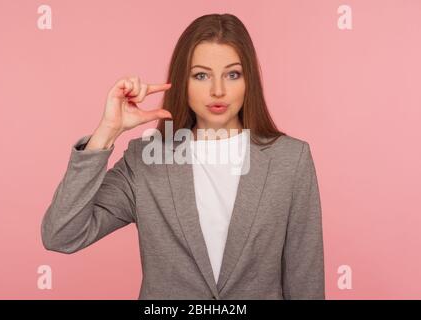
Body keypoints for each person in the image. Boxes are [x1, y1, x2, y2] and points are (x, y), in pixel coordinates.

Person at [41, 13, 325, 300]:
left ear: (248, 80)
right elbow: (62, 234)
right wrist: (106, 132)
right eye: (201, 75)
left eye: (232, 74)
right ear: (182, 81)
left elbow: (305, 279)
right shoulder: (145, 160)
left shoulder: (291, 158)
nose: (218, 90)